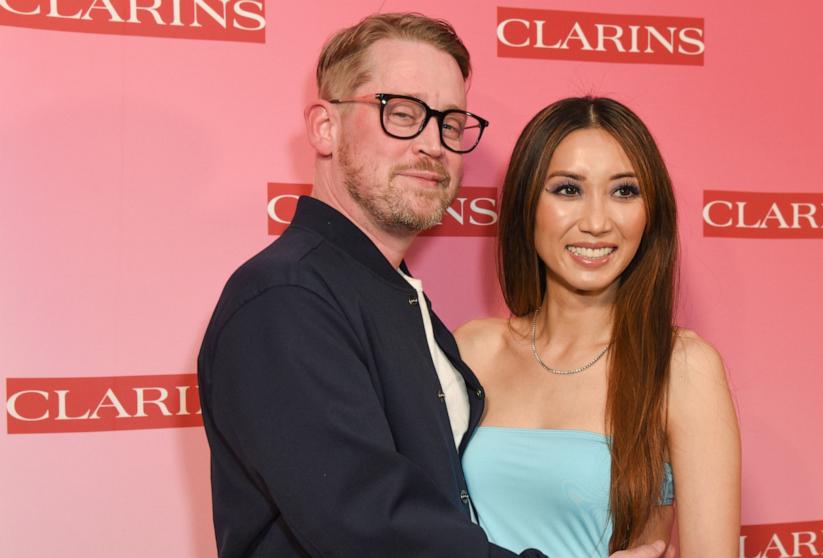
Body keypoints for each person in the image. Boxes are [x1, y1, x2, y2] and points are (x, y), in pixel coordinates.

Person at [197, 13, 670, 558]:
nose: (432, 144)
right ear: (325, 127)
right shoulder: (285, 297)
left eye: (449, 123)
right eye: (401, 113)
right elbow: (369, 524)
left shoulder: (395, 298)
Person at [455, 97, 742, 557]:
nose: (596, 222)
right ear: (526, 204)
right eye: (568, 190)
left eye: (624, 191)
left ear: (651, 214)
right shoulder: (472, 349)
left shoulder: (681, 367)